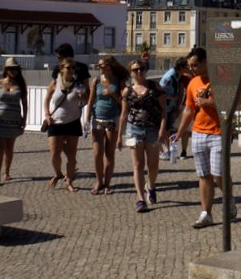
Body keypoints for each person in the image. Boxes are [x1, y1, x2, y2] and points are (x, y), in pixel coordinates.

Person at [173, 47, 234, 228]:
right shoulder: (193, 83)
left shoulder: (221, 80)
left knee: (218, 174)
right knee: (203, 175)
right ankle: (206, 213)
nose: (191, 69)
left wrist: (209, 102)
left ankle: (229, 198)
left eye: (195, 65)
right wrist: (180, 131)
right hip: (198, 132)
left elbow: (229, 106)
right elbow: (188, 109)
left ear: (206, 62)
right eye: (189, 66)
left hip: (219, 133)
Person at [118, 59, 167, 213]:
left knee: (153, 165)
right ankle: (140, 198)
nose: (139, 72)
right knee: (138, 165)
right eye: (135, 70)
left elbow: (164, 111)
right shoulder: (127, 91)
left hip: (152, 130)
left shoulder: (154, 87)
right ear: (131, 72)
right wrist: (119, 135)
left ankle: (151, 186)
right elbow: (124, 114)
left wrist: (161, 130)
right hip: (134, 130)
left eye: (141, 69)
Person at [43, 59, 88, 192]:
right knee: (54, 154)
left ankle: (69, 181)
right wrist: (46, 114)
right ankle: (58, 173)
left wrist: (82, 98)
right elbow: (46, 99)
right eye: (69, 67)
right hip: (56, 123)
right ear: (62, 69)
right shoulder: (55, 83)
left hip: (73, 122)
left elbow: (85, 101)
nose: (72, 70)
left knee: (72, 155)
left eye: (73, 68)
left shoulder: (78, 84)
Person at [85, 55, 127, 195]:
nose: (99, 67)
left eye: (101, 65)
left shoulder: (118, 81)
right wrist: (86, 119)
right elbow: (90, 101)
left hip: (112, 119)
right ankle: (99, 181)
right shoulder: (96, 80)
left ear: (109, 66)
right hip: (97, 119)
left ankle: (107, 183)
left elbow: (123, 103)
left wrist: (112, 93)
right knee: (97, 153)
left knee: (109, 153)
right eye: (98, 65)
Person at [0, 57, 27, 185]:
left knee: (9, 147)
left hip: (14, 121)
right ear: (6, 69)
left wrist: (24, 118)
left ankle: (7, 172)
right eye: (11, 68)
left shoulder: (20, 85)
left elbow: (25, 104)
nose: (14, 71)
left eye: (15, 69)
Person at [158, 57, 191, 158]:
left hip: (170, 106)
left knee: (168, 129)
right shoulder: (170, 76)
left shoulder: (178, 75)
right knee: (163, 129)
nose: (189, 68)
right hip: (163, 106)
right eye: (187, 66)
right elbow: (159, 91)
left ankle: (166, 151)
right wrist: (172, 97)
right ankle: (163, 151)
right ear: (181, 67)